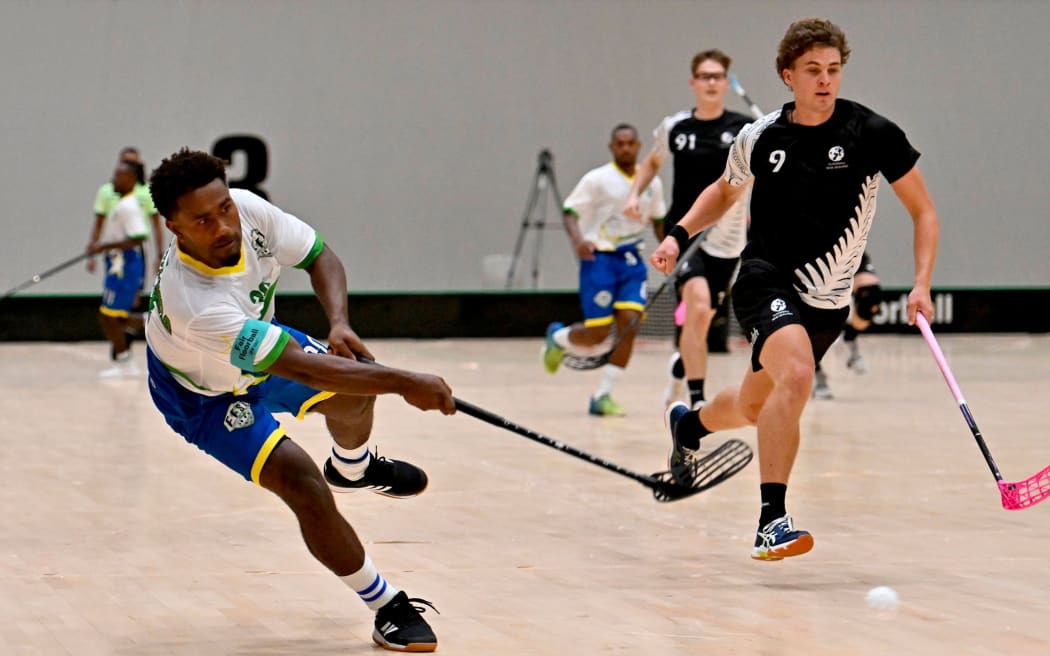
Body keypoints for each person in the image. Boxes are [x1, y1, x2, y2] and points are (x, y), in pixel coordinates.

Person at [650, 18, 939, 561]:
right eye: (813, 70)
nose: (825, 80)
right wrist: (679, 234)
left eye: (833, 70)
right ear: (789, 75)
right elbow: (724, 191)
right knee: (799, 374)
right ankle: (771, 520)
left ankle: (688, 426)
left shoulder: (872, 133)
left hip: (829, 299)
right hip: (765, 279)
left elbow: (924, 213)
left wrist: (921, 283)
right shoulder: (760, 137)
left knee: (759, 405)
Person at [144, 148, 455, 652]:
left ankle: (352, 468)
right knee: (305, 487)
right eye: (202, 219)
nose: (223, 225)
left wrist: (339, 322)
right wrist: (405, 382)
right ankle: (385, 605)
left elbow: (319, 257)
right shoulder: (194, 303)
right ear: (175, 228)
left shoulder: (247, 210)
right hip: (204, 396)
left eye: (222, 207)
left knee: (353, 389)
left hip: (259, 339)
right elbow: (302, 367)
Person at [623, 49, 752, 411]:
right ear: (693, 83)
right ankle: (697, 400)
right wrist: (635, 193)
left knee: (705, 317)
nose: (711, 82)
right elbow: (651, 162)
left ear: (726, 83)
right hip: (683, 233)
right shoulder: (675, 127)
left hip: (727, 240)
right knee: (696, 306)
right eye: (704, 76)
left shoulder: (744, 130)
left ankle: (682, 366)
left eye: (717, 77)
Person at [542, 124, 666, 416]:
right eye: (619, 144)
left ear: (638, 146)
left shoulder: (652, 183)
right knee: (597, 334)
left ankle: (603, 395)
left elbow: (659, 221)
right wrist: (578, 241)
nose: (625, 148)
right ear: (612, 147)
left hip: (632, 262)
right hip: (600, 261)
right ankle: (559, 338)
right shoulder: (597, 179)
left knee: (630, 324)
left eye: (630, 143)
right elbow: (570, 211)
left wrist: (668, 247)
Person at [86, 160, 150, 378]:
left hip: (125, 266)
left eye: (119, 176)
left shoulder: (129, 207)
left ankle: (125, 361)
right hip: (117, 266)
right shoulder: (122, 203)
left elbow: (139, 236)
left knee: (109, 316)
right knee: (117, 316)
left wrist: (104, 245)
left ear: (131, 179)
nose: (114, 179)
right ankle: (154, 325)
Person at [812, 250, 882, 399]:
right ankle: (817, 373)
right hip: (807, 247)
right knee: (811, 316)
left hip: (846, 244)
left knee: (870, 297)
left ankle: (849, 337)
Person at [89, 147, 164, 279]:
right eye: (124, 163)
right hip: (113, 250)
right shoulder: (107, 191)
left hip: (135, 249)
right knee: (115, 286)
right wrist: (93, 253)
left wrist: (159, 255)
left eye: (132, 164)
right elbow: (98, 223)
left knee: (133, 287)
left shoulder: (145, 192)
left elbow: (155, 226)